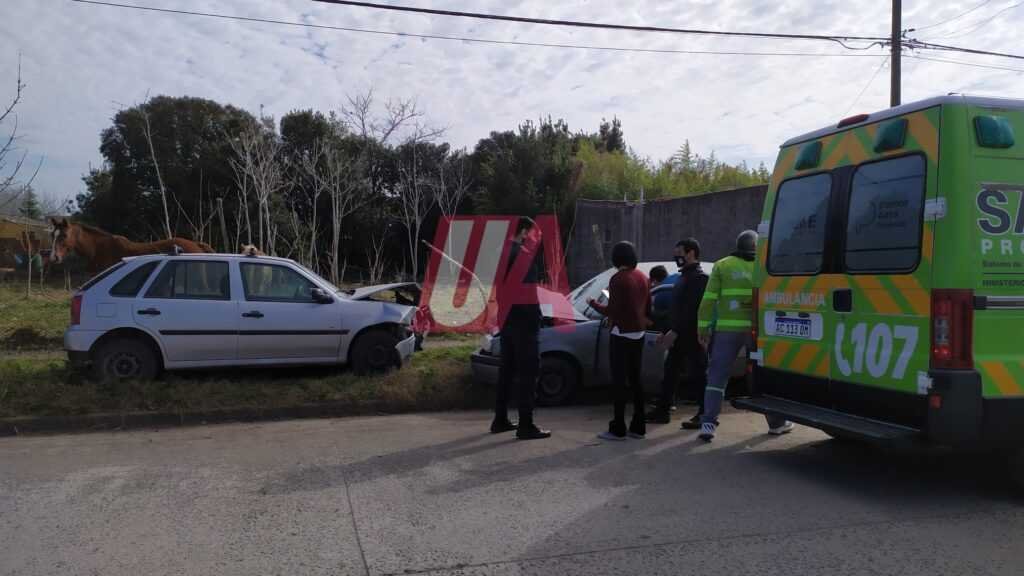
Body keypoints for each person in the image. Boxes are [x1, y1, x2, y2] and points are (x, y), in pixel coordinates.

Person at [696, 230, 793, 441]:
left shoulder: (722, 265)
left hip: (726, 331)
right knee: (761, 375)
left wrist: (703, 328)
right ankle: (776, 424)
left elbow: (708, 300)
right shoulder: (765, 266)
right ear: (757, 247)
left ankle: (708, 424)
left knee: (717, 376)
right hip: (756, 331)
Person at [492, 217, 551, 440]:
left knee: (506, 371)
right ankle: (526, 425)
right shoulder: (522, 255)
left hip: (506, 320)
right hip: (524, 323)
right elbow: (528, 295)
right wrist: (538, 317)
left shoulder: (499, 253)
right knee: (528, 373)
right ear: (524, 232)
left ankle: (500, 419)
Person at [588, 241, 651, 441]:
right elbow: (647, 306)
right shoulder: (642, 277)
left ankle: (618, 428)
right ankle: (639, 427)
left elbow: (612, 310)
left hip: (621, 334)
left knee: (619, 382)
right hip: (639, 333)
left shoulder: (618, 279)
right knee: (636, 380)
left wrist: (593, 303)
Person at [647, 238, 708, 426]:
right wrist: (666, 330)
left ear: (691, 253)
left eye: (679, 253)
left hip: (692, 336)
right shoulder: (683, 277)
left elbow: (691, 311)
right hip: (678, 335)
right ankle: (663, 411)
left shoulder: (699, 278)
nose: (676, 257)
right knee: (670, 373)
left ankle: (705, 414)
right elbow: (675, 309)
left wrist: (674, 331)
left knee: (698, 375)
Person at [648, 265, 671, 332]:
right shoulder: (677, 276)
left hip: (672, 324)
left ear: (654, 281)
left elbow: (655, 311)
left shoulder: (660, 293)